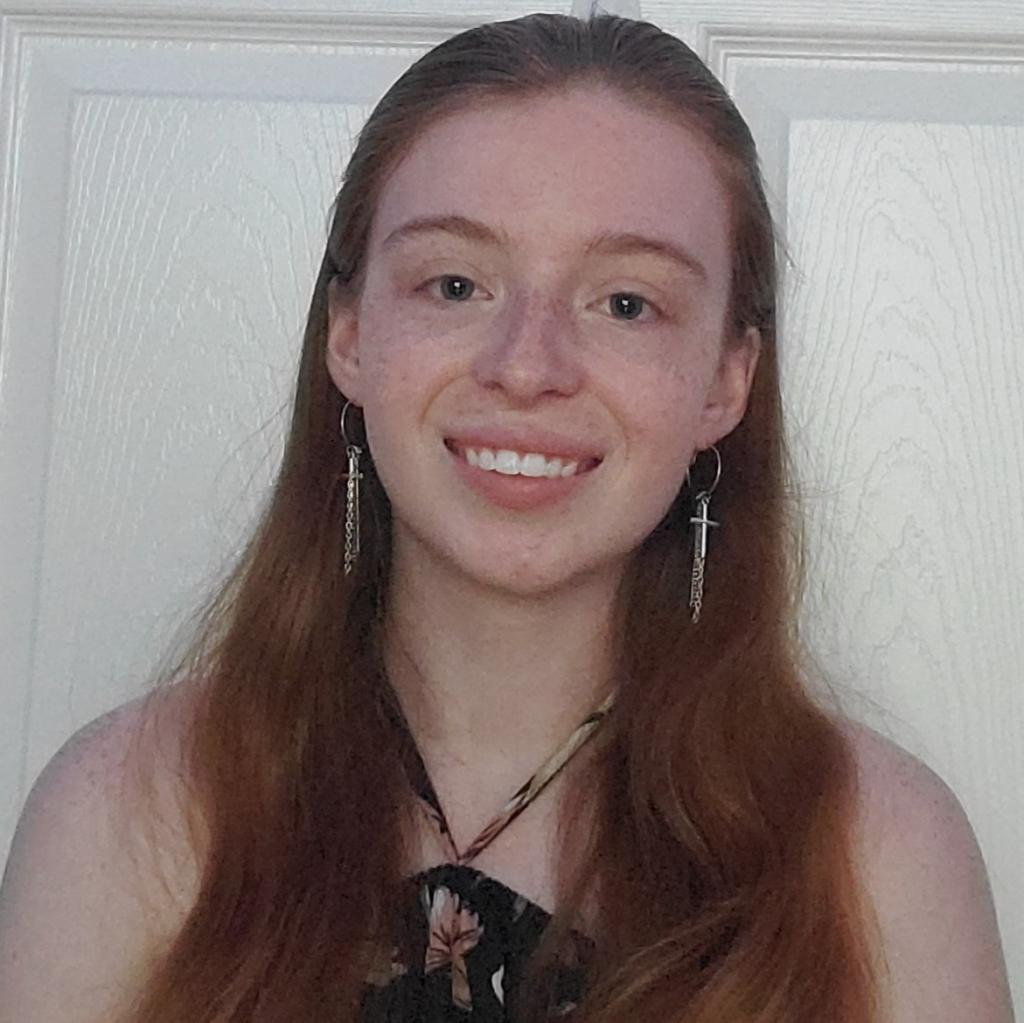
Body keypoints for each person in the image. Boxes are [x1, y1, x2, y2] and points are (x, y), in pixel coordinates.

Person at [0, 11, 1013, 1023]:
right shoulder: (127, 812)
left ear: (725, 380)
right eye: (455, 285)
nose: (527, 366)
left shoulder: (877, 856)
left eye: (625, 304)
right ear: (349, 335)